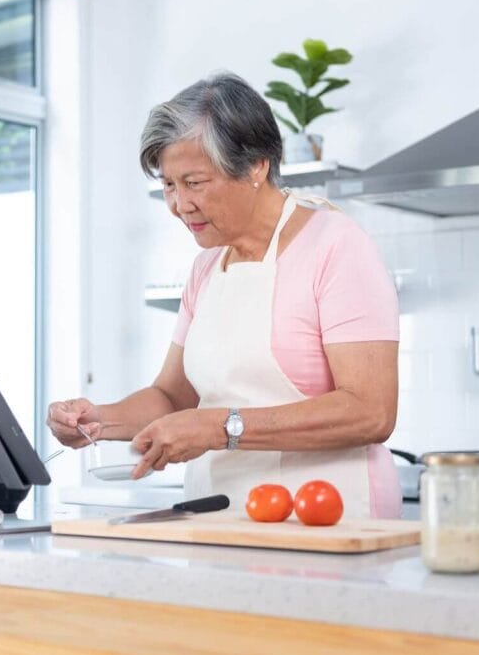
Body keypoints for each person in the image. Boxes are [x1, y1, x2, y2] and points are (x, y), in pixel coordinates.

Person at [47, 72, 401, 518]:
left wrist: (221, 427)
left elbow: (371, 412)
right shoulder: (206, 268)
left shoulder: (336, 246)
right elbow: (174, 399)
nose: (179, 204)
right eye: (168, 185)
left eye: (194, 182)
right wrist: (96, 420)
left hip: (328, 519)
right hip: (221, 516)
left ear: (256, 166)